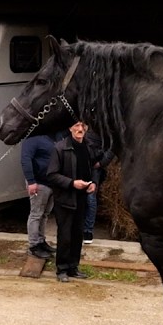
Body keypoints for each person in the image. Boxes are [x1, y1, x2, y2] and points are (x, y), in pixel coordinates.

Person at [43, 121, 96, 282]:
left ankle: (73, 267)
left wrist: (92, 183)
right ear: (70, 128)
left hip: (81, 198)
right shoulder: (60, 147)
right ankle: (62, 269)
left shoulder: (88, 147)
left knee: (77, 235)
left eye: (83, 127)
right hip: (65, 199)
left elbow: (92, 169)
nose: (80, 129)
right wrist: (72, 183)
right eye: (77, 126)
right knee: (65, 235)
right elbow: (51, 175)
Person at [20, 132, 56, 259]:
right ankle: (34, 246)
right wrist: (31, 181)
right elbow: (25, 159)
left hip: (51, 183)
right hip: (39, 183)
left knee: (44, 215)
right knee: (36, 214)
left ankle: (41, 241)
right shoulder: (32, 139)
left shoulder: (52, 137)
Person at [82, 126, 114, 244]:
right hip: (78, 166)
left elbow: (112, 147)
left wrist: (101, 163)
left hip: (94, 168)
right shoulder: (79, 125)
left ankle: (88, 230)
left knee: (90, 198)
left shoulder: (103, 126)